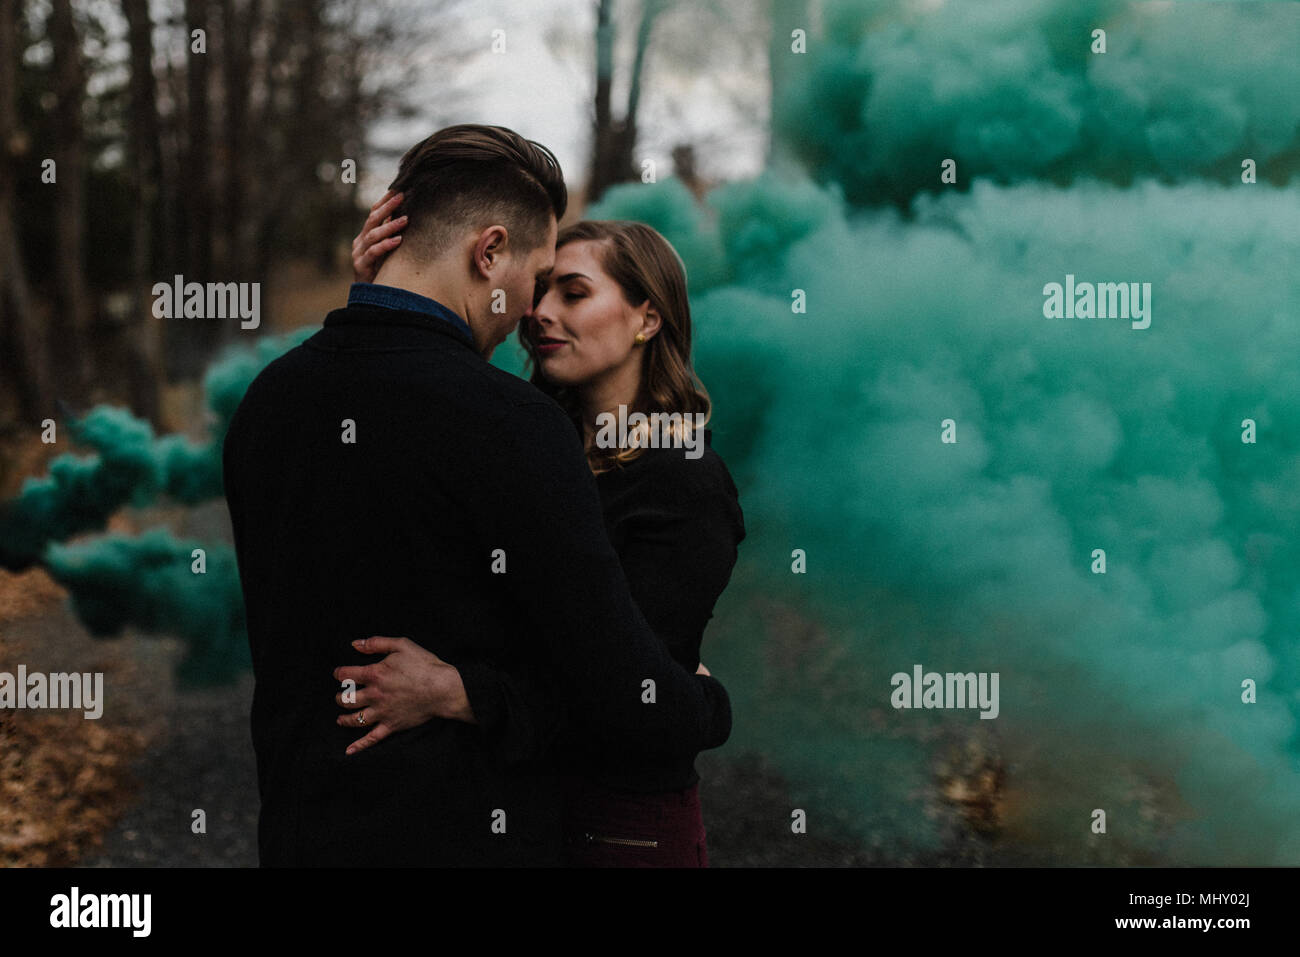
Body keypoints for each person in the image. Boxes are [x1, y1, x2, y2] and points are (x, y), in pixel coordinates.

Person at [221, 124, 732, 867]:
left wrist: (377, 298)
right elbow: (624, 691)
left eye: (570, 288)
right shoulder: (511, 426)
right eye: (537, 274)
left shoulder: (267, 401)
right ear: (488, 253)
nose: (531, 309)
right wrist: (710, 704)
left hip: (301, 835)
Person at [344, 214, 745, 866]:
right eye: (541, 291)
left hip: (619, 825)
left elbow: (627, 702)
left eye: (575, 293)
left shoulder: (681, 479)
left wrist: (457, 692)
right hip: (500, 809)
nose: (539, 314)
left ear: (647, 318)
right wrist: (387, 297)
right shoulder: (526, 446)